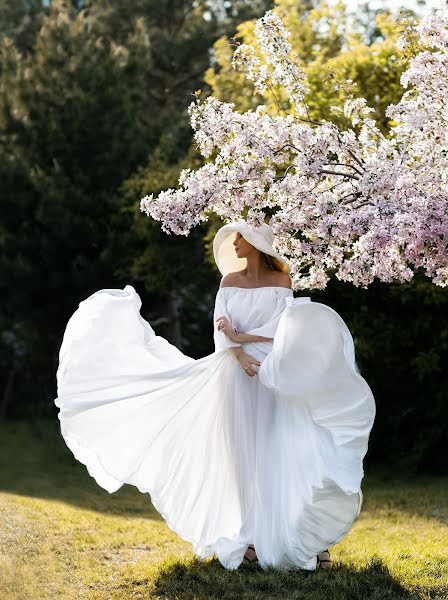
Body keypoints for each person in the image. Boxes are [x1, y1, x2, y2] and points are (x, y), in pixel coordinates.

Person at [54, 219, 376, 572]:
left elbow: (280, 334)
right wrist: (237, 348)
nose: (234, 245)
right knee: (241, 456)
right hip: (234, 378)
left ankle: (300, 536)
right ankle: (250, 538)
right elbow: (220, 333)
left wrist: (241, 337)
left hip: (271, 376)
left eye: (240, 239)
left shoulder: (282, 282)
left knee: (282, 451)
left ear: (257, 244)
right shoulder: (228, 282)